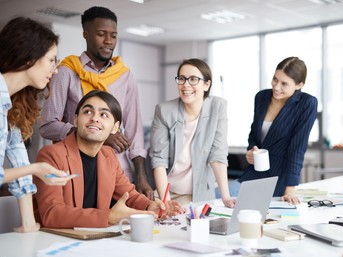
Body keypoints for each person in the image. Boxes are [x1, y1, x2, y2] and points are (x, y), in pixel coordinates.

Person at [39, 6, 154, 200]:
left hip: (118, 173)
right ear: (86, 34)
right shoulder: (67, 72)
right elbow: (48, 126)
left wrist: (141, 175)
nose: (109, 41)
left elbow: (134, 132)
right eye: (101, 34)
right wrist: (99, 136)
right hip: (74, 170)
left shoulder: (125, 75)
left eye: (113, 35)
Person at [34, 90, 185, 228]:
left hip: (95, 239)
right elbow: (52, 214)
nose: (94, 119)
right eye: (87, 112)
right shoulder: (51, 155)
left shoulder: (108, 155)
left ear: (115, 128)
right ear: (75, 120)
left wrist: (150, 206)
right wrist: (109, 216)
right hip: (57, 241)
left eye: (104, 115)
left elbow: (129, 194)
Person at [0, 17, 76, 233]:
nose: (56, 69)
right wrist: (37, 169)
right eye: (52, 60)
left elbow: (18, 159)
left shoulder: (11, 103)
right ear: (28, 57)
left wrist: (28, 224)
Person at [149, 58, 235, 208]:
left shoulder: (218, 107)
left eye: (193, 79)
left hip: (200, 194)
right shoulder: (164, 111)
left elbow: (218, 155)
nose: (186, 85)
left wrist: (226, 197)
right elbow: (159, 160)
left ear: (206, 85)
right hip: (168, 193)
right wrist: (166, 202)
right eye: (181, 79)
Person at [238, 57, 318, 204]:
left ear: (299, 85)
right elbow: (254, 133)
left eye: (284, 84)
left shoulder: (307, 103)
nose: (276, 87)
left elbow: (297, 148)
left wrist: (290, 189)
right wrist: (251, 150)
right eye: (275, 79)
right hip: (254, 174)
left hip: (280, 179)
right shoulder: (261, 97)